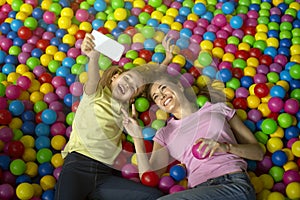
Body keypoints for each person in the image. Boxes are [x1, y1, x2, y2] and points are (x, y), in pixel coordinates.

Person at [54, 32, 167, 200]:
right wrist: (93, 57)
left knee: (154, 196)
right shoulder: (96, 93)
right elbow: (92, 79)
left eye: (134, 88)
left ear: (133, 98)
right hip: (78, 165)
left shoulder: (127, 113)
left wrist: (167, 60)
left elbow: (152, 81)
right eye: (127, 78)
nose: (129, 85)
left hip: (104, 176)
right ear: (115, 77)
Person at [122, 71, 264, 200]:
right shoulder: (165, 134)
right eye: (156, 97)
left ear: (179, 85)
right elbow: (149, 178)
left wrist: (225, 147)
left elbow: (258, 153)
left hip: (233, 184)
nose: (162, 96)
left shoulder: (218, 109)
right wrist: (137, 138)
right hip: (199, 190)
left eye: (163, 88)